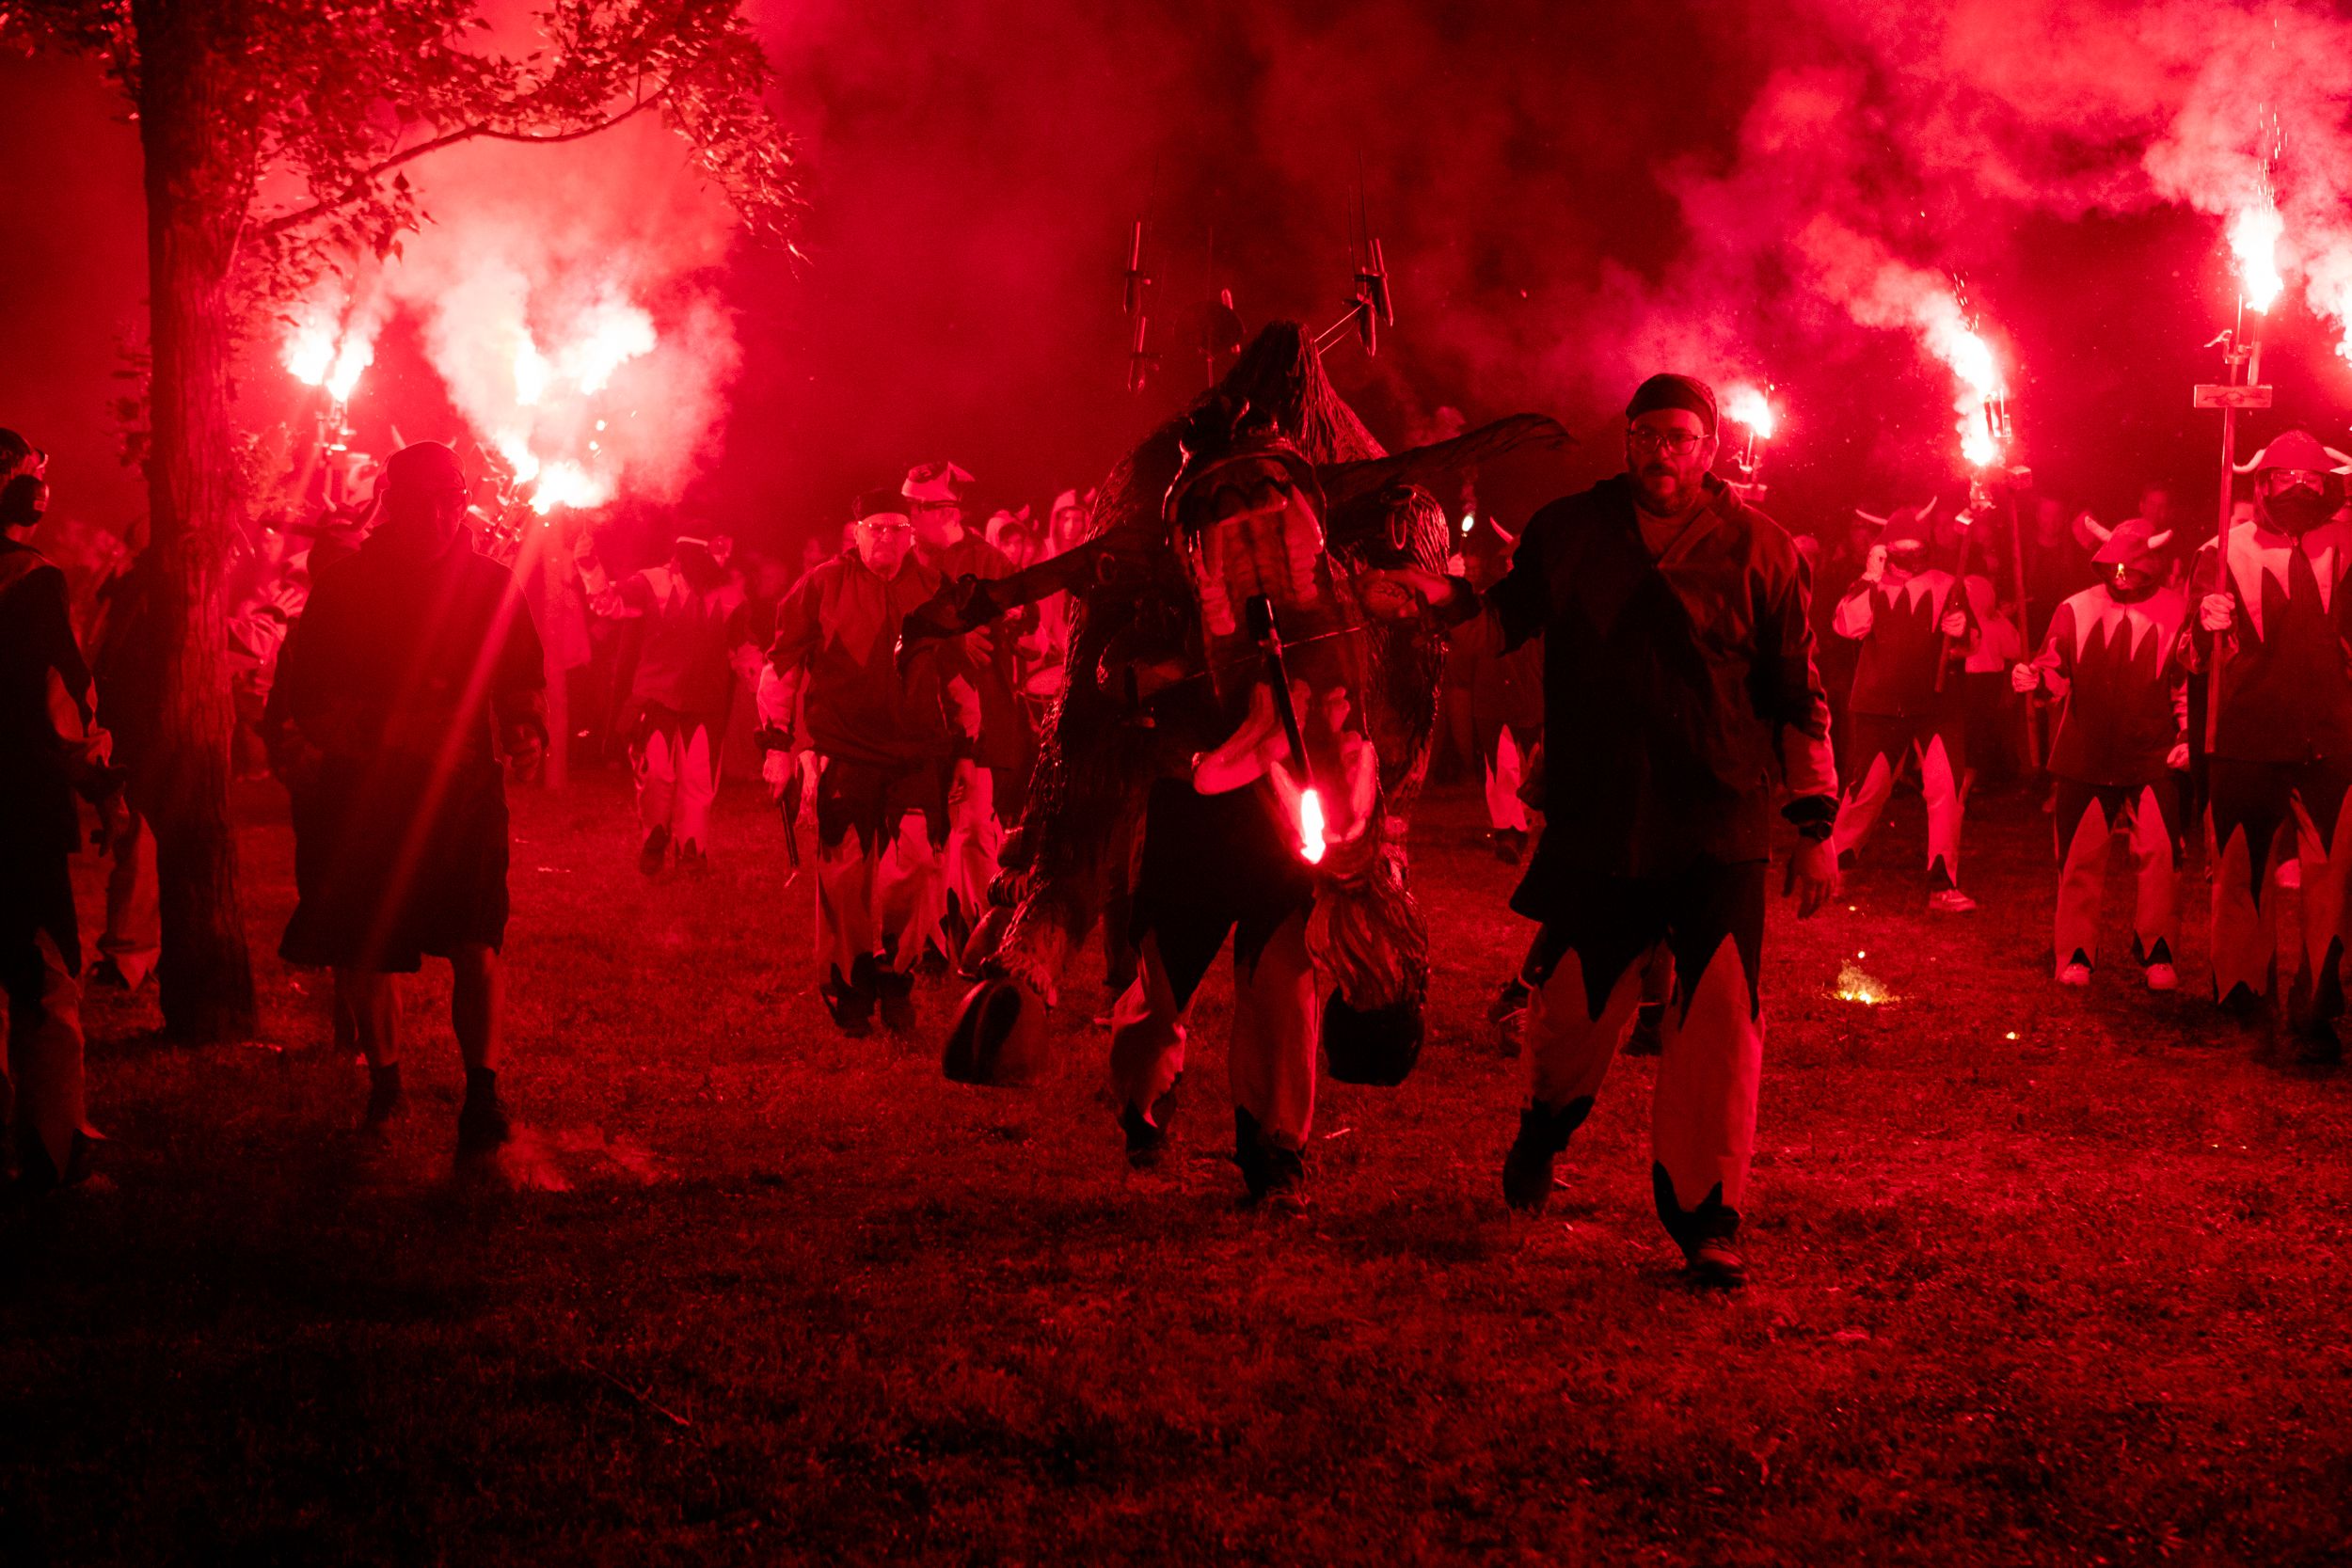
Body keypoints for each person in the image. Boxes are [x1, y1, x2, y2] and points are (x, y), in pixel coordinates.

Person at [1386, 373, 1838, 1287]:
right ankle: (1543, 1130)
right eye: (1644, 434)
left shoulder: (1762, 549)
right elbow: (1495, 622)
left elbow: (1797, 687)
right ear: (1626, 439)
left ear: (1708, 447)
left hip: (1718, 821)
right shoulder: (1571, 530)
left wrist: (1815, 818)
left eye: (1677, 436)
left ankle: (1710, 1216)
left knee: (1718, 1021)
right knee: (1571, 1019)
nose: (1659, 451)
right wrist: (1429, 597)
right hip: (1601, 819)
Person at [270, 441, 547, 1152]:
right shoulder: (347, 588)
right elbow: (310, 696)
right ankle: (386, 1082)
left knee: (477, 940)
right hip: (370, 796)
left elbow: (520, 672)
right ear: (394, 501)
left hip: (464, 793)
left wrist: (525, 728)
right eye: (425, 498)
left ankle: (482, 1093)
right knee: (369, 945)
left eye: (452, 498)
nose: (441, 513)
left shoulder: (489, 585)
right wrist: (387, 730)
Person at [2182, 429, 2352, 1061]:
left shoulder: (2344, 544)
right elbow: (2189, 653)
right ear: (2262, 484)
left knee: (2330, 873)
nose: (2301, 490)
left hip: (2330, 735)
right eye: (2286, 479)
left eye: (2313, 481)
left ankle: (2315, 1006)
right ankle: (2243, 996)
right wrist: (2206, 624)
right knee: (2239, 868)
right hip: (2247, 734)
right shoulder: (2223, 548)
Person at [760, 489, 951, 1036]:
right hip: (843, 751)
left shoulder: (932, 587)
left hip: (915, 753)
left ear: (910, 534)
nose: (886, 539)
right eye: (876, 529)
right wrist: (777, 745)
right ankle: (847, 989)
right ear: (858, 532)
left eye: (896, 529)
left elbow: (955, 667)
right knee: (844, 877)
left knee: (914, 866)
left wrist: (967, 745)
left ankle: (895, 976)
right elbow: (782, 663)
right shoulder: (821, 585)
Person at [2012, 516, 2187, 989]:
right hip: (2084, 754)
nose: (2122, 577)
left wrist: (2187, 736)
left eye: (2131, 568)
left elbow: (2187, 680)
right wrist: (2036, 678)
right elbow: (2054, 668)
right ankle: (2075, 954)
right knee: (2078, 860)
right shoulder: (2074, 608)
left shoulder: (2177, 609)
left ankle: (2157, 949)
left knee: (2160, 855)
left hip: (2153, 754)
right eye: (2114, 568)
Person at [0, 436, 105, 1193]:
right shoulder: (34, 583)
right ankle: (53, 1148)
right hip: (20, 808)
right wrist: (94, 767)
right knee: (45, 976)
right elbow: (66, 697)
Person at [905, 461, 1033, 960]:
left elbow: (1025, 615)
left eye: (921, 509)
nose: (912, 518)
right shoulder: (905, 563)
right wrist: (950, 640)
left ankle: (981, 935)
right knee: (929, 832)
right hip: (923, 717)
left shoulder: (988, 559)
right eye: (922, 507)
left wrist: (1008, 626)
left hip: (985, 715)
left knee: (978, 829)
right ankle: (933, 939)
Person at [1828, 499, 1980, 912]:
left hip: (1936, 705)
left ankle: (1943, 884)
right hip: (1879, 704)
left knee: (1946, 790)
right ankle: (1834, 869)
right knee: (1866, 791)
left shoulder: (1948, 583)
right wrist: (1870, 578)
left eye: (1917, 548)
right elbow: (1848, 626)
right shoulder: (1869, 586)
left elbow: (1970, 644)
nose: (1910, 556)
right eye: (1901, 549)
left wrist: (1961, 631)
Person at [578, 531, 745, 874]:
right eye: (717, 550)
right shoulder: (651, 583)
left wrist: (757, 669)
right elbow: (608, 604)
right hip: (656, 697)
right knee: (657, 775)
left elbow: (741, 642)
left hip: (706, 700)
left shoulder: (729, 591)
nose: (724, 558)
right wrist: (588, 564)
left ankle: (691, 850)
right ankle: (654, 836)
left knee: (698, 779)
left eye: (727, 550)